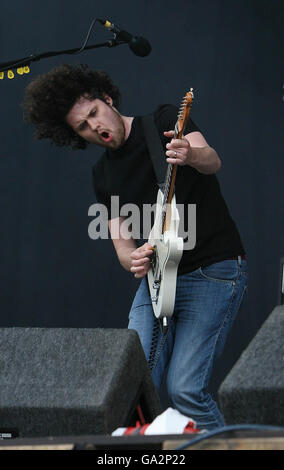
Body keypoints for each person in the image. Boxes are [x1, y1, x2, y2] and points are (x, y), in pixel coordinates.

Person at [23, 63, 248, 430]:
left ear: (108, 99)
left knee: (185, 389)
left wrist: (188, 154)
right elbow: (123, 248)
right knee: (128, 389)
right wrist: (136, 259)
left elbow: (212, 160)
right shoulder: (104, 175)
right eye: (82, 126)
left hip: (212, 269)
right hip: (158, 279)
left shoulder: (161, 121)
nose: (95, 127)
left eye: (95, 113)